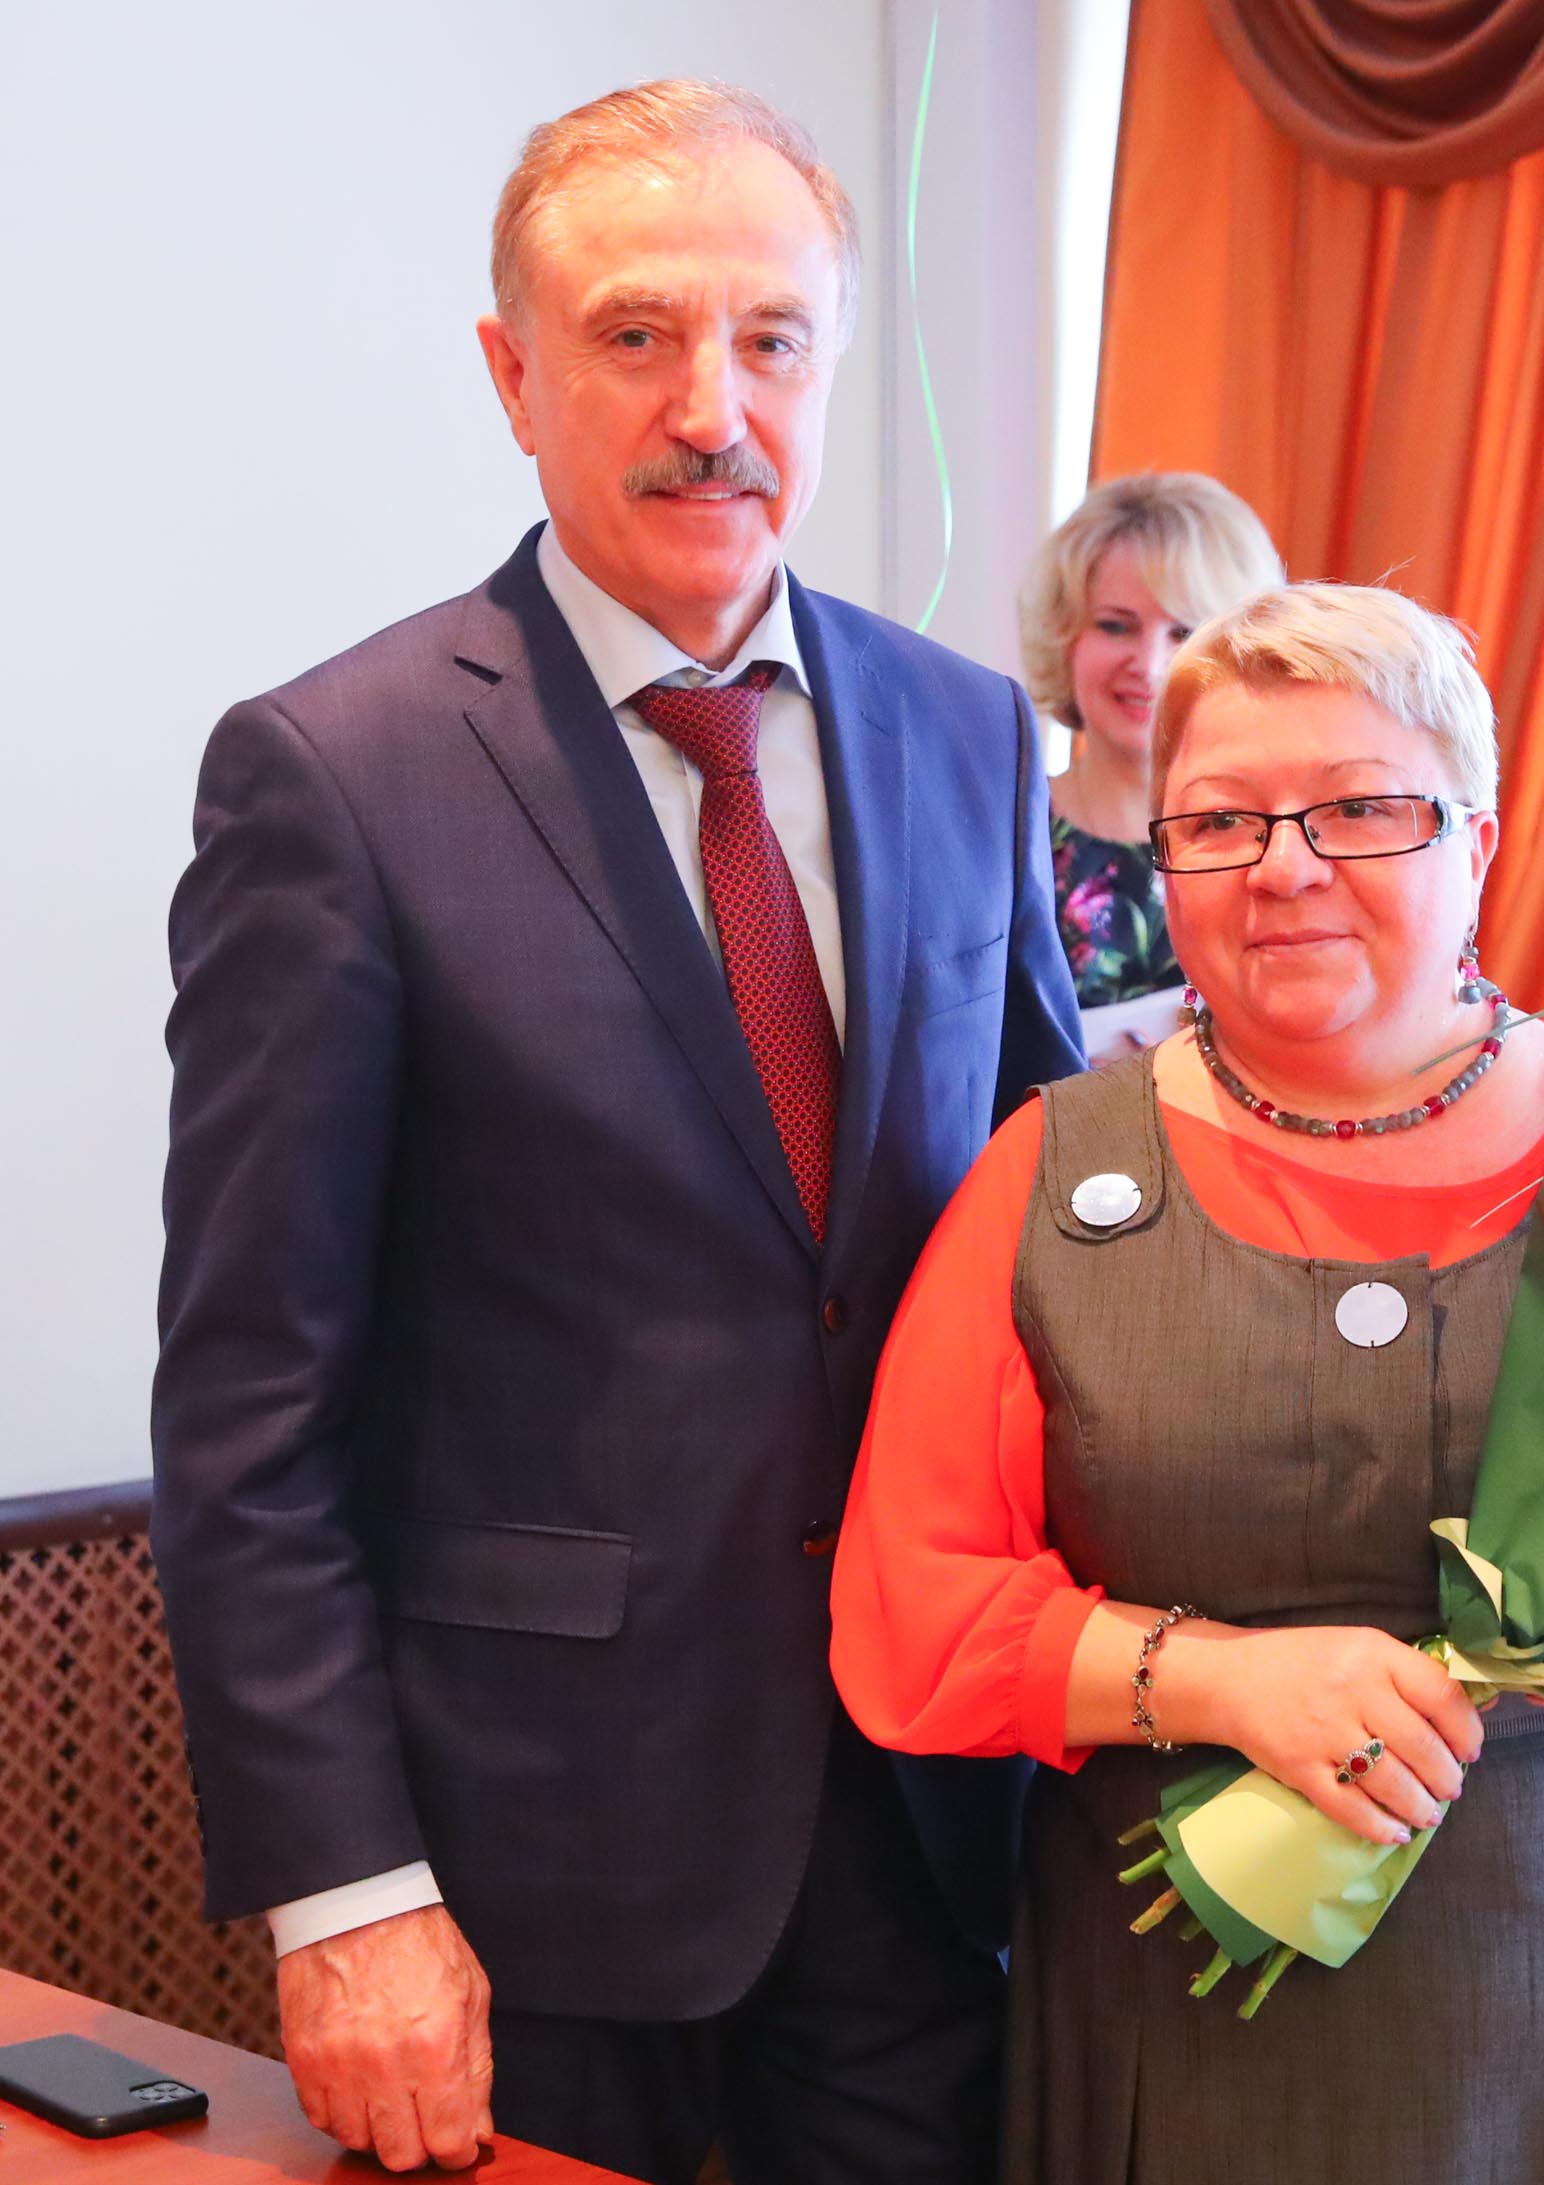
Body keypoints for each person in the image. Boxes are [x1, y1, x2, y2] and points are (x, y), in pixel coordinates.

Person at [150, 80, 1083, 2185]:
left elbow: (1063, 1231)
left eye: (771, 340)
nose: (711, 410)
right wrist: (344, 1895)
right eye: (637, 335)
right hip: (524, 1877)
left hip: (928, 1822)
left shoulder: (964, 732)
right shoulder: (337, 774)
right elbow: (248, 1408)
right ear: (513, 376)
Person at [833, 583, 1544, 2183]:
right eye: (1219, 821)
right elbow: (912, 1613)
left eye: (1360, 809)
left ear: (1479, 844)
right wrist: (1219, 1681)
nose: (1285, 865)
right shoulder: (1044, 1177)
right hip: (1185, 2022)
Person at [1018, 472, 1283, 1036]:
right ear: (1063, 639)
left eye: (1184, 632)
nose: (1149, 664)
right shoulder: (998, 840)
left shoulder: (1288, 845)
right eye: (1115, 626)